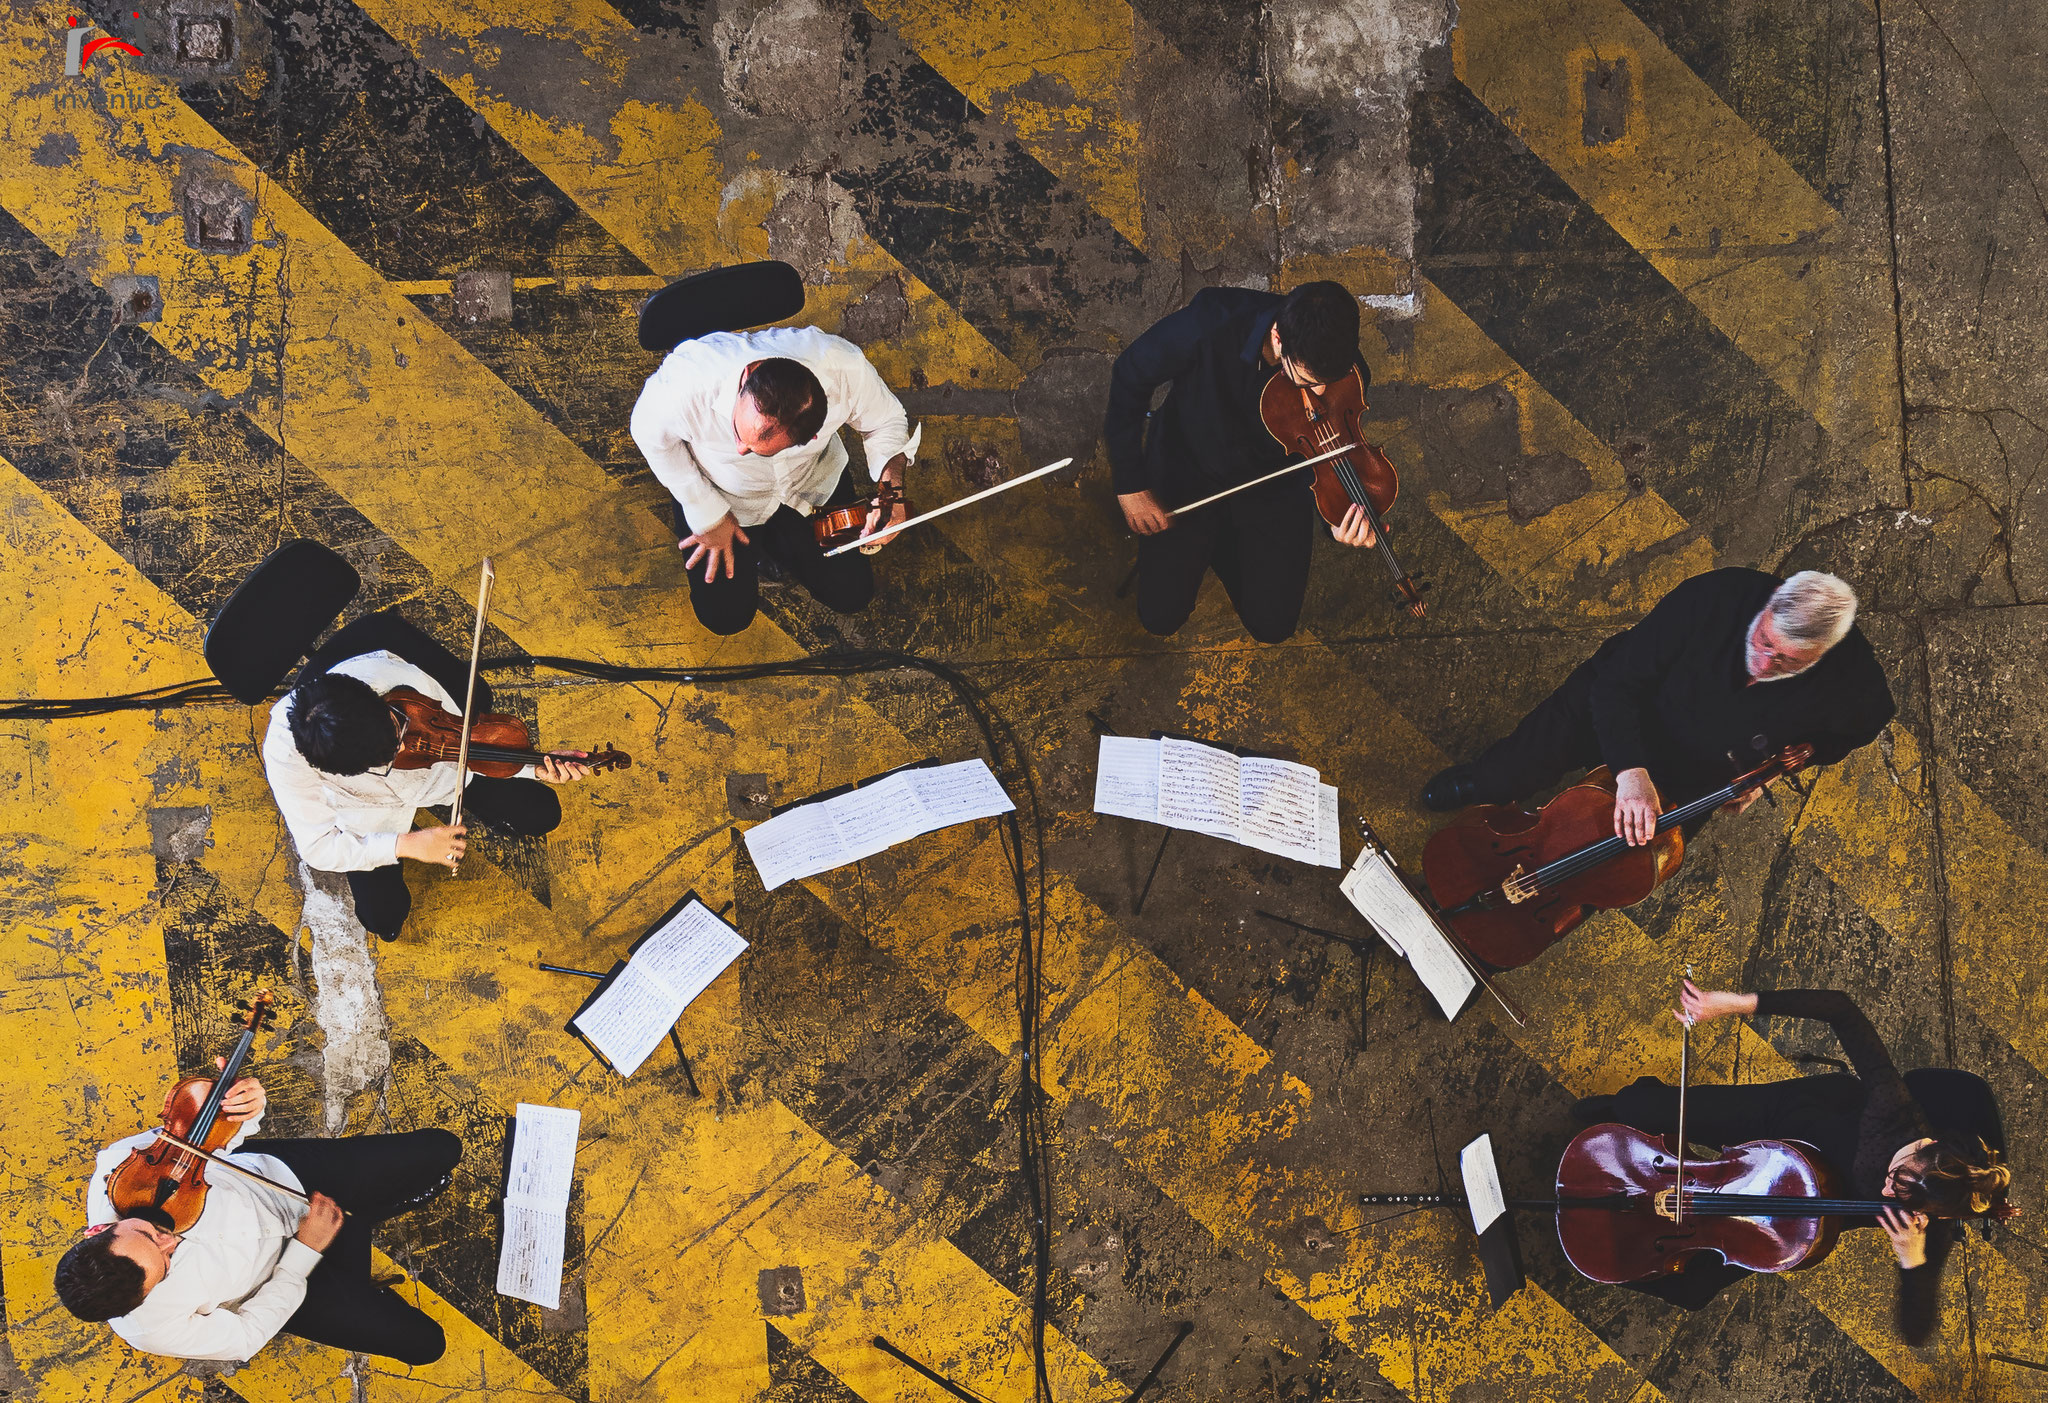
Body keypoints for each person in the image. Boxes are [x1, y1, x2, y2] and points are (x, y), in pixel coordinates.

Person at [1571, 980, 2015, 1342]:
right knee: (1639, 1108)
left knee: (1690, 1288)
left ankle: (1617, 1247)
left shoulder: (1926, 1219)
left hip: (1792, 1207)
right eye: (1896, 1177)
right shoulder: (1892, 1108)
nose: (1884, 1194)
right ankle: (1622, 1106)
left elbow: (1917, 1332)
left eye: (1899, 1198)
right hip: (1788, 1118)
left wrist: (1911, 1261)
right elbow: (1842, 1008)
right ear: (1924, 1144)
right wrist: (1734, 1004)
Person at [1422, 568, 1896, 840]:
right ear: (1771, 602)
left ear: (1824, 654)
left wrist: (1791, 761)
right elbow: (1617, 683)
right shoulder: (1712, 596)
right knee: (1516, 768)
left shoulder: (1854, 687)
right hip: (1622, 704)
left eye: (1788, 662)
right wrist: (1629, 770)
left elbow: (1862, 725)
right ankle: (1482, 784)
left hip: (1692, 774)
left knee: (1621, 859)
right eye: (1764, 641)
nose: (1763, 664)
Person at [55, 1065, 464, 1364]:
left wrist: (246, 1106)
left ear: (100, 1228)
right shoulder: (149, 1328)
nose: (171, 1241)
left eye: (148, 1235)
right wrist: (304, 1252)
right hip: (282, 1279)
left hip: (284, 1184)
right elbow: (246, 1335)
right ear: (144, 1297)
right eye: (165, 1264)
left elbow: (214, 1138)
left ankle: (369, 1214)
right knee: (427, 1346)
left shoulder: (122, 1168)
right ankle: (368, 1218)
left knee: (444, 1148)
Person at [1103, 280, 1381, 644]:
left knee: (1273, 627)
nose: (1319, 396)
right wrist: (1130, 484)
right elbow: (1129, 376)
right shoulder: (1212, 321)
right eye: (1307, 381)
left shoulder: (1348, 372)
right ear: (1279, 338)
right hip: (1188, 472)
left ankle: (1216, 545)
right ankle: (1206, 543)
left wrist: (1339, 520)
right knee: (1159, 619)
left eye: (1328, 383)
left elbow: (1328, 456)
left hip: (1272, 489)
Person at [263, 641, 592, 941]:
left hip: (443, 775)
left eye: (398, 727)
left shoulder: (391, 677)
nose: (407, 745)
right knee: (383, 919)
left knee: (542, 814)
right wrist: (406, 844)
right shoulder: (286, 759)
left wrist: (532, 765)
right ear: (341, 771)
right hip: (371, 816)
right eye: (390, 756)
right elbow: (318, 848)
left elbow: (463, 740)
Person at [630, 328, 917, 636]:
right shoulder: (686, 382)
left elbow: (885, 421)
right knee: (725, 617)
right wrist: (702, 507)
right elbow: (648, 434)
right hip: (724, 496)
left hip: (812, 484)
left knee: (852, 594)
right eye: (740, 434)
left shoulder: (845, 368)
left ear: (815, 432)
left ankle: (778, 545)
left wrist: (892, 493)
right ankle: (767, 545)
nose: (740, 449)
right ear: (747, 376)